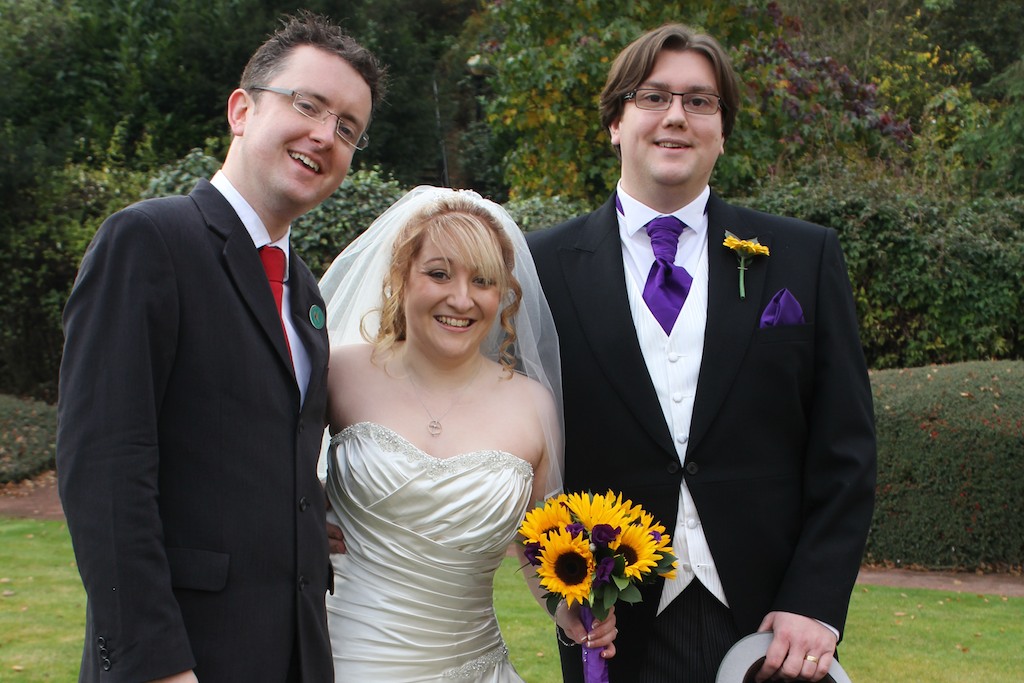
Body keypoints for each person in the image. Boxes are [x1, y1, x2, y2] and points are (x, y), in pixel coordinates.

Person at [526, 23, 876, 683]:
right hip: (612, 623)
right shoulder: (538, 265)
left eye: (699, 101)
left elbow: (846, 450)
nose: (676, 117)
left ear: (722, 129)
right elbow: (515, 440)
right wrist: (560, 588)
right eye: (652, 97)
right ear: (615, 121)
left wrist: (815, 600)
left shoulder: (804, 256)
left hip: (771, 627)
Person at [56, 12, 385, 682]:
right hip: (183, 657)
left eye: (348, 128)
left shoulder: (307, 295)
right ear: (242, 108)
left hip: (291, 654)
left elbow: (253, 445)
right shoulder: (149, 241)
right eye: (309, 105)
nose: (325, 135)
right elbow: (105, 469)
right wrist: (157, 665)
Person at [316, 186, 617, 681]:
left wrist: (567, 610)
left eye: (482, 280)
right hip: (346, 657)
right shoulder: (340, 373)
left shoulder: (532, 405)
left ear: (502, 294)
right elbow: (268, 473)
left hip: (472, 664)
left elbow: (537, 547)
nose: (461, 298)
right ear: (401, 276)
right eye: (438, 273)